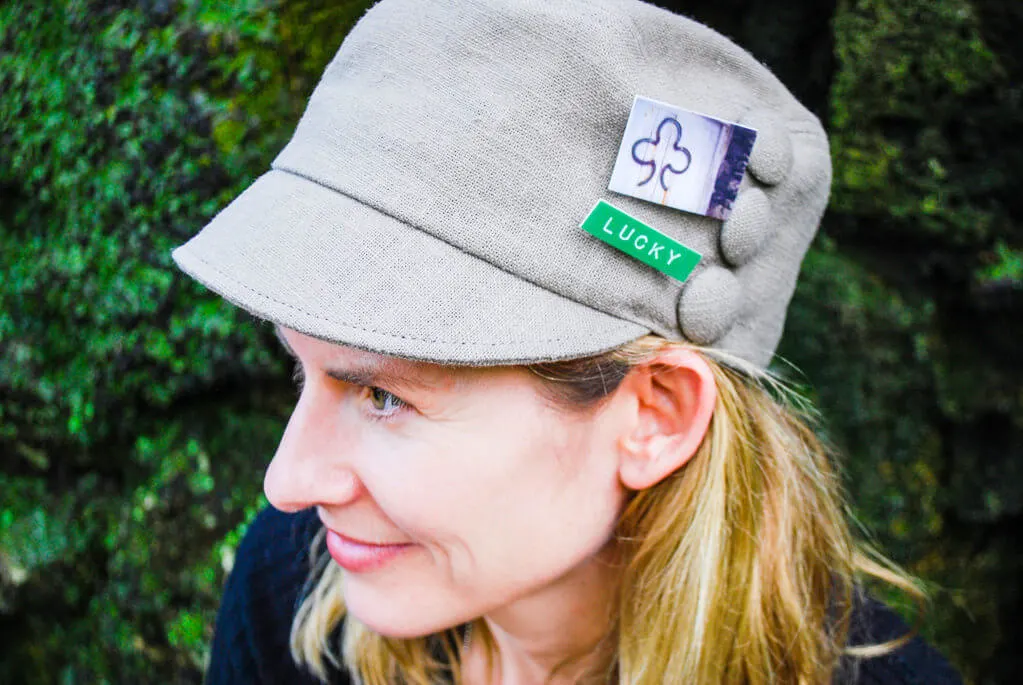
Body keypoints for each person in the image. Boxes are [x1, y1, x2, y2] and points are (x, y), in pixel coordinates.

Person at [171, 0, 964, 683]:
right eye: (298, 371)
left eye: (381, 394)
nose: (288, 481)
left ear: (654, 414)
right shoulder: (294, 587)